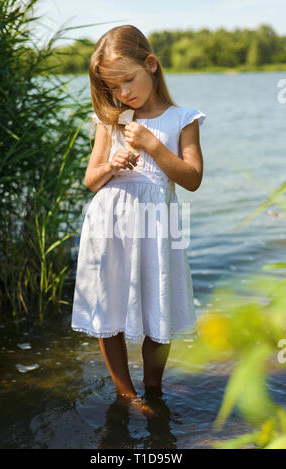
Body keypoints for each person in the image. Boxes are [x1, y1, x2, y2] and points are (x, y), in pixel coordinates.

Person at [71, 25, 206, 414]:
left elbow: (192, 179)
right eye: (114, 87)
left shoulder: (183, 119)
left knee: (159, 302)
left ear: (151, 65)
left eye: (128, 80)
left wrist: (152, 145)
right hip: (109, 224)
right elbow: (91, 180)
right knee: (109, 306)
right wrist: (111, 164)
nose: (123, 93)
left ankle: (153, 387)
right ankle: (126, 394)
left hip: (158, 225)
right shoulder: (111, 120)